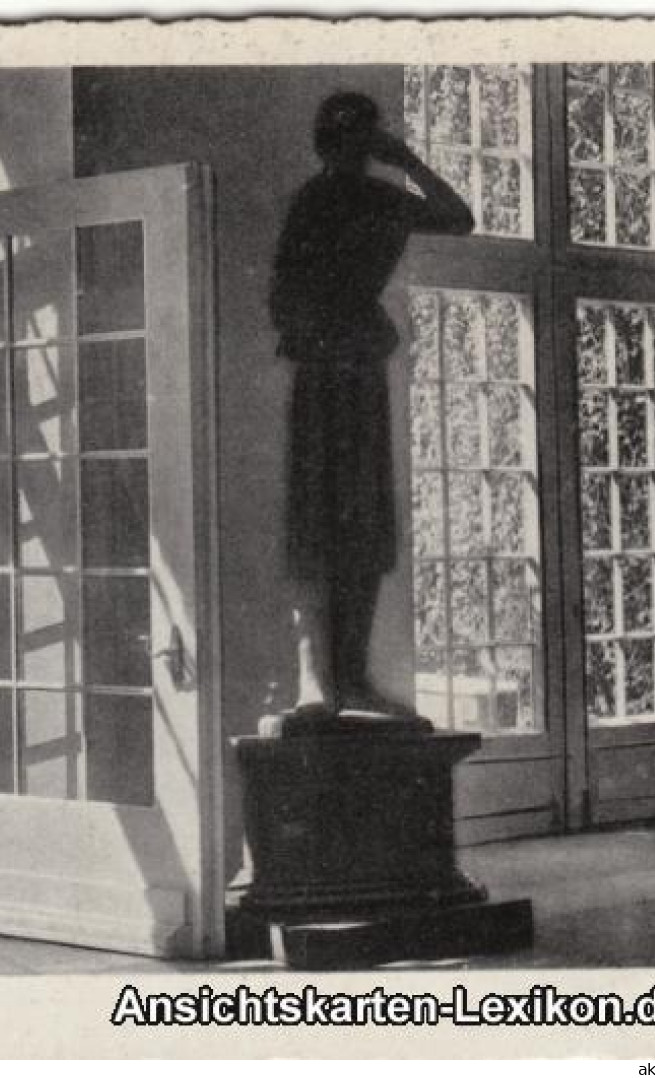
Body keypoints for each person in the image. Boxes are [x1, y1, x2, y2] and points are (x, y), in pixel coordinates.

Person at [269, 91, 473, 720]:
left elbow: (457, 217)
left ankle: (350, 679)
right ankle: (317, 680)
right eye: (346, 136)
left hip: (358, 373)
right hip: (326, 373)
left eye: (365, 137)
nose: (355, 148)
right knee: (316, 522)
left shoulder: (381, 199)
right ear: (328, 143)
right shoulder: (314, 201)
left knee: (364, 526)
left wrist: (406, 158)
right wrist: (322, 333)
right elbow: (284, 297)